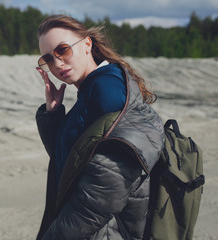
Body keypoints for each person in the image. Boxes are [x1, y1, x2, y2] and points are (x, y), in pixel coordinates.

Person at [35, 14, 165, 240]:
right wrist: (53, 113)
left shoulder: (107, 90)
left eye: (63, 50)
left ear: (87, 44)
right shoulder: (91, 91)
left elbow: (104, 192)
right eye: (48, 59)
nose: (57, 63)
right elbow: (69, 160)